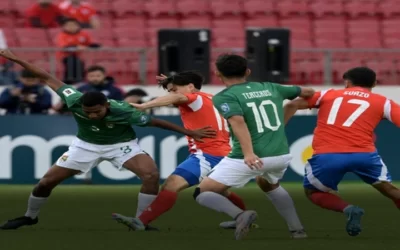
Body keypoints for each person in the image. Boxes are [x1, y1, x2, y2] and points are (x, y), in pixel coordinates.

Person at [0, 49, 215, 230]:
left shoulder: (123, 110)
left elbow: (156, 122)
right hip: (85, 145)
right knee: (46, 182)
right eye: (88, 112)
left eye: (96, 112)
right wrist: (14, 58)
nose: (92, 115)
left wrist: (190, 133)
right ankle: (30, 216)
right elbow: (46, 76)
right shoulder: (74, 98)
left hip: (121, 145)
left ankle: (141, 220)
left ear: (107, 106)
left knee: (151, 175)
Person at [192, 54, 314, 240]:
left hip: (248, 157)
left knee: (202, 192)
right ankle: (297, 230)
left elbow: (238, 123)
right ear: (247, 71)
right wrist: (300, 103)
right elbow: (308, 92)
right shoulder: (270, 87)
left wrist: (249, 153)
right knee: (269, 185)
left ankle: (240, 215)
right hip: (280, 155)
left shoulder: (225, 96)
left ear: (217, 73)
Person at [111, 71, 252, 230]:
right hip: (224, 153)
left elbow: (180, 97)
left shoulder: (194, 98)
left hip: (207, 154)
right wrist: (173, 83)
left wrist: (145, 105)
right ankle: (244, 217)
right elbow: (181, 93)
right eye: (170, 91)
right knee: (219, 191)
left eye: (174, 89)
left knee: (171, 185)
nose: (172, 94)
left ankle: (141, 221)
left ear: (191, 87)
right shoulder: (212, 98)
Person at [283, 67, 400, 237]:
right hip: (365, 155)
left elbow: (292, 104)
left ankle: (349, 209)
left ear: (347, 82)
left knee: (314, 192)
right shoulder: (383, 102)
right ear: (374, 83)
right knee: (389, 190)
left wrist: (278, 131)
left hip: (328, 155)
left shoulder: (327, 95)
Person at [56, 18, 98, 84]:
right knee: (72, 62)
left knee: (79, 63)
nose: (71, 27)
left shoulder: (83, 34)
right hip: (65, 56)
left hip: (79, 56)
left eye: (73, 25)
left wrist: (94, 45)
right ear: (64, 26)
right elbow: (64, 46)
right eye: (69, 25)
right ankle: (68, 81)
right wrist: (77, 47)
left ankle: (80, 80)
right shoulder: (62, 35)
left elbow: (90, 43)